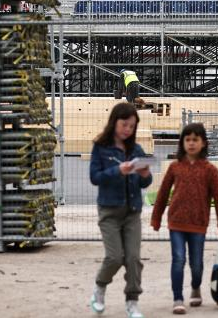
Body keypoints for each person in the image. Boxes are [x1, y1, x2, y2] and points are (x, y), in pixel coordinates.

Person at [151, 123, 218, 315]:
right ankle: (177, 297)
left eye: (195, 139)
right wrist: (156, 218)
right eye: (187, 139)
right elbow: (162, 194)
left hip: (198, 223)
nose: (191, 143)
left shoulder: (210, 170)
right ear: (182, 143)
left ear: (203, 143)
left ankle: (196, 286)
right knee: (178, 259)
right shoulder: (175, 167)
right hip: (176, 222)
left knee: (196, 263)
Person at [88, 103, 153, 318]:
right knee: (115, 257)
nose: (128, 130)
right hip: (109, 211)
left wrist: (145, 175)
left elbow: (146, 182)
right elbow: (95, 177)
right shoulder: (101, 147)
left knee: (133, 259)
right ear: (114, 122)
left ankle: (132, 301)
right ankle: (99, 288)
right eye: (125, 124)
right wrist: (117, 170)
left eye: (132, 126)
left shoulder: (136, 150)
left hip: (132, 211)